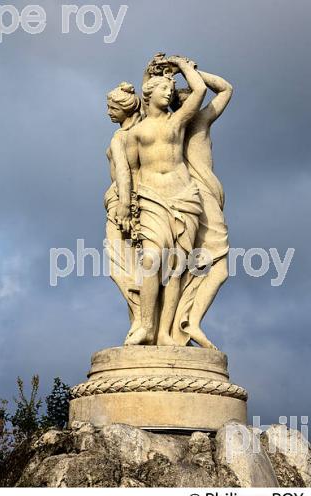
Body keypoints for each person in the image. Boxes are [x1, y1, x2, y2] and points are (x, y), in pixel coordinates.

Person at [122, 56, 207, 345]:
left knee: (177, 265)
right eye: (163, 90)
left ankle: (166, 332)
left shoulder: (178, 121)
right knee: (151, 259)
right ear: (149, 94)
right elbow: (131, 172)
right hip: (151, 198)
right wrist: (126, 207)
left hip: (183, 197)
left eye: (171, 90)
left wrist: (183, 66)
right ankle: (145, 326)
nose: (169, 93)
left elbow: (199, 91)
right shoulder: (134, 133)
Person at [171, 69, 233, 349]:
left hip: (192, 197)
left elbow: (226, 90)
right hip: (199, 198)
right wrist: (189, 69)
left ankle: (183, 325)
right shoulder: (193, 122)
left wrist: (187, 69)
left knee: (189, 266)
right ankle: (190, 322)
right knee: (218, 267)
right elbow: (225, 89)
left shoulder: (188, 122)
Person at [104, 82, 142, 341]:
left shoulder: (121, 137)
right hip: (141, 203)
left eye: (112, 107)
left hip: (123, 205)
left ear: (126, 109)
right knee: (138, 267)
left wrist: (124, 207)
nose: (108, 112)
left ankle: (141, 318)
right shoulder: (142, 130)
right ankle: (141, 318)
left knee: (118, 266)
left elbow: (123, 174)